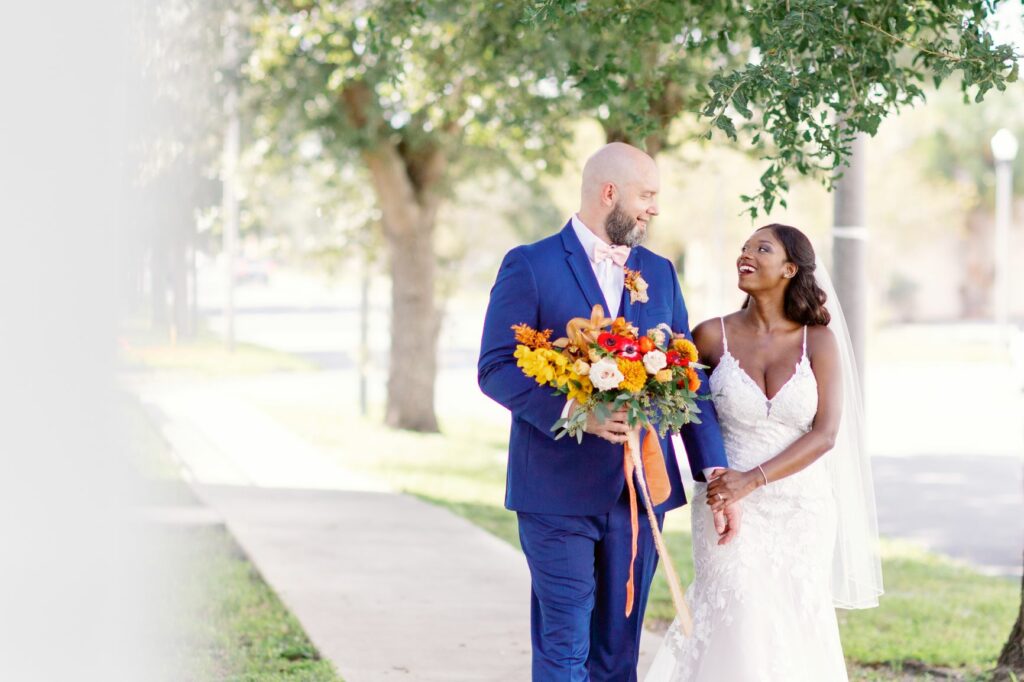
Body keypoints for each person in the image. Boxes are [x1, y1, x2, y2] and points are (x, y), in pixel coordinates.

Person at [478, 142, 738, 681]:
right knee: (564, 646)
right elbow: (496, 367)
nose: (655, 209)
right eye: (647, 195)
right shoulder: (530, 265)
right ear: (610, 192)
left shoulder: (661, 274)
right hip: (554, 492)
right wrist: (577, 409)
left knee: (618, 656)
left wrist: (715, 473)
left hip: (640, 496)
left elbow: (689, 379)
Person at [645, 224, 883, 681]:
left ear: (790, 269)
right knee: (737, 616)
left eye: (761, 248)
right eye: (743, 248)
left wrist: (751, 479)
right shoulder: (711, 336)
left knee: (795, 621)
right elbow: (688, 414)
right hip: (726, 505)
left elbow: (826, 433)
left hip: (801, 509)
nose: (745, 255)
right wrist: (725, 483)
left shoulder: (820, 341)